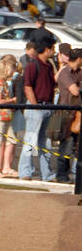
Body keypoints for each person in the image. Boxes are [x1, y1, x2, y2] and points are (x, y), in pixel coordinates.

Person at [18, 39, 55, 181]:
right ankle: (25, 172)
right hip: (36, 106)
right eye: (52, 48)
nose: (54, 51)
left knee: (45, 143)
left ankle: (47, 174)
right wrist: (35, 106)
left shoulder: (49, 66)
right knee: (30, 141)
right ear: (46, 49)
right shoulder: (33, 65)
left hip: (47, 106)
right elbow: (28, 87)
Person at [52, 47, 82, 183]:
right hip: (66, 114)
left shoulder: (79, 72)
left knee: (76, 145)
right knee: (66, 145)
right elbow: (75, 91)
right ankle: (61, 175)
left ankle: (74, 174)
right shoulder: (65, 72)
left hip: (77, 114)